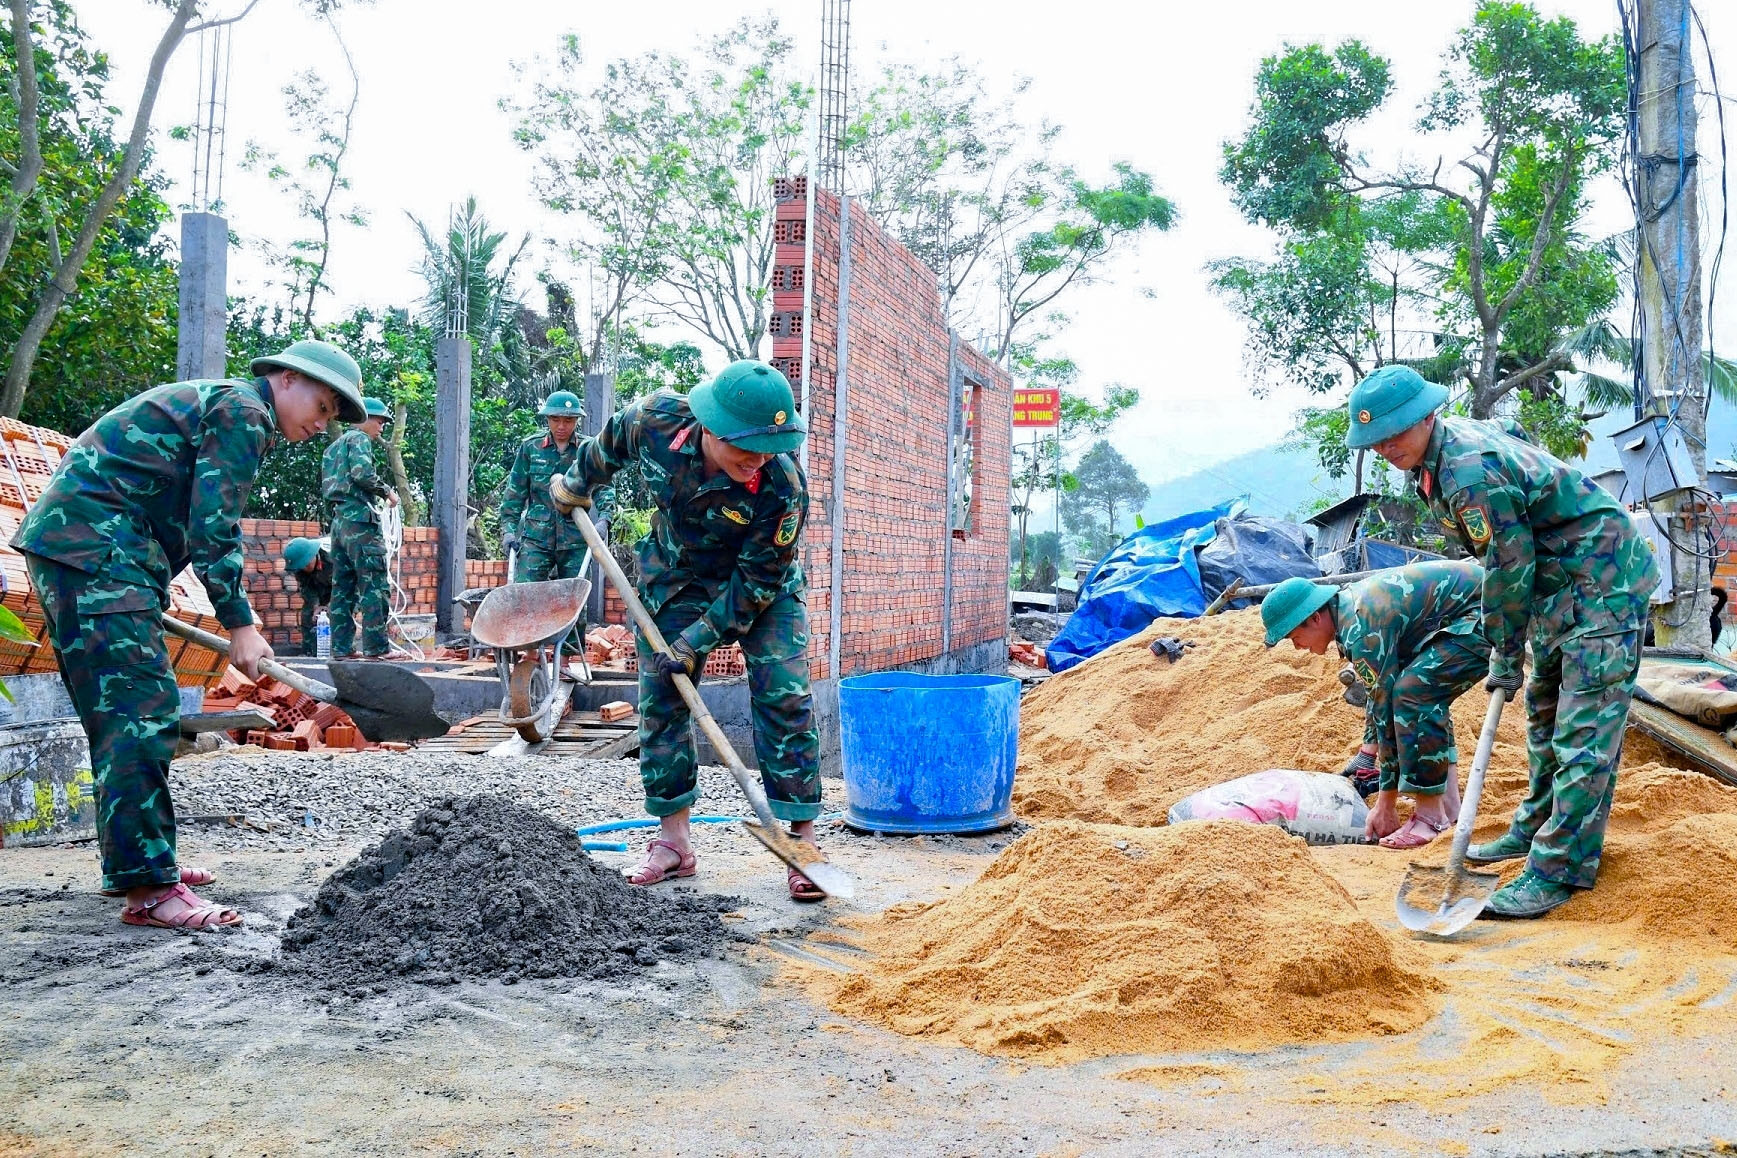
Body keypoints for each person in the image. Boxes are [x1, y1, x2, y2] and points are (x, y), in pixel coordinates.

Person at [10, 340, 366, 930]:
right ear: (283, 379)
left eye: (331, 414)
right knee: (141, 714)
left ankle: (140, 865)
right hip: (98, 552)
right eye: (323, 405)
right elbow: (214, 528)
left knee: (122, 715)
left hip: (89, 552)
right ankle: (150, 891)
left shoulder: (225, 407)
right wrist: (241, 625)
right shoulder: (245, 413)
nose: (321, 422)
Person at [1346, 365, 1658, 917]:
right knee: (1543, 713)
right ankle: (1532, 829)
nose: (1387, 446)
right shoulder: (1434, 461)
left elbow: (1507, 565)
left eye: (1396, 432)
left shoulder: (1469, 473)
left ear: (1427, 417)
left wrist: (1505, 651)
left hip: (1603, 581)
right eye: (1377, 440)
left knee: (1583, 731)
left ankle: (1557, 868)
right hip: (1558, 589)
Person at [549, 360, 826, 901]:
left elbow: (756, 583)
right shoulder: (654, 421)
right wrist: (577, 486)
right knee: (663, 699)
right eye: (746, 450)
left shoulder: (783, 486)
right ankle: (673, 842)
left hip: (760, 589)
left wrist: (694, 642)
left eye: (770, 448)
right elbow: (606, 447)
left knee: (785, 696)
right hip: (676, 577)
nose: (758, 461)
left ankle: (803, 843)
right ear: (710, 429)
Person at [1261, 560, 1489, 849]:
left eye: (1295, 637)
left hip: (1492, 613)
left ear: (1316, 618)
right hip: (1465, 614)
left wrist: (1386, 802)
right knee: (1420, 691)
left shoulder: (1361, 628)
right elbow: (1378, 692)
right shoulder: (1348, 613)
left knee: (1414, 693)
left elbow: (1386, 708)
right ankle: (1449, 807)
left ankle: (1430, 818)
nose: (1298, 647)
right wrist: (1367, 753)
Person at [321, 396, 400, 660]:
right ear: (364, 419)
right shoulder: (359, 440)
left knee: (342, 588)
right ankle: (377, 649)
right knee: (374, 585)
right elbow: (362, 475)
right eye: (379, 421)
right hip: (360, 523)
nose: (381, 428)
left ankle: (341, 649)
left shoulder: (332, 448)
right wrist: (387, 492)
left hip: (339, 523)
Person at [500, 390, 591, 583]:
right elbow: (514, 494)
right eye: (555, 419)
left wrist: (604, 521)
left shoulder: (587, 450)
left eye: (568, 421)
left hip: (575, 539)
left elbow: (604, 487)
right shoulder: (531, 447)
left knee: (572, 599)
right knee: (524, 594)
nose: (561, 426)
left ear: (576, 420)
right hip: (537, 539)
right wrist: (508, 530)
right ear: (547, 419)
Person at [282, 536, 332, 656]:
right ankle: (309, 652)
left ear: (313, 555)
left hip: (345, 589)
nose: (304, 569)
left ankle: (341, 651)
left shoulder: (332, 559)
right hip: (320, 587)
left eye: (305, 565)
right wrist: (316, 607)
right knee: (308, 614)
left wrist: (329, 606)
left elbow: (346, 586)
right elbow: (307, 588)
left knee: (338, 614)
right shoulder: (299, 567)